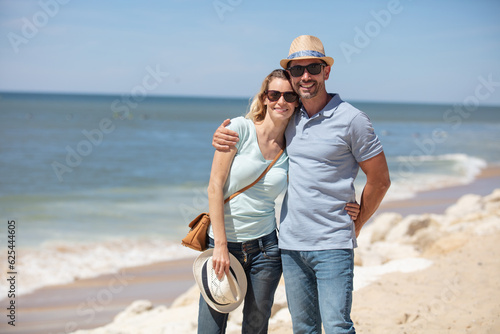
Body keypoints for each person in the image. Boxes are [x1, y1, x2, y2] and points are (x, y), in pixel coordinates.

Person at [212, 35, 391, 333]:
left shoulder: (353, 120)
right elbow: (259, 133)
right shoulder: (291, 116)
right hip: (290, 247)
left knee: (336, 326)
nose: (305, 76)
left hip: (333, 245)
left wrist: (358, 222)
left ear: (326, 71)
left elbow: (380, 180)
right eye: (297, 70)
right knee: (304, 329)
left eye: (313, 68)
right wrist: (221, 135)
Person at [199, 68, 360, 334]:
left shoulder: (292, 142)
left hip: (267, 248)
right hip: (222, 244)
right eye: (274, 94)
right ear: (263, 97)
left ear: (297, 101)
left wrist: (352, 203)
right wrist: (221, 246)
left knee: (256, 325)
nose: (281, 101)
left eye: (289, 96)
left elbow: (318, 176)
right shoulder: (238, 129)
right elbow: (214, 187)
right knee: (210, 327)